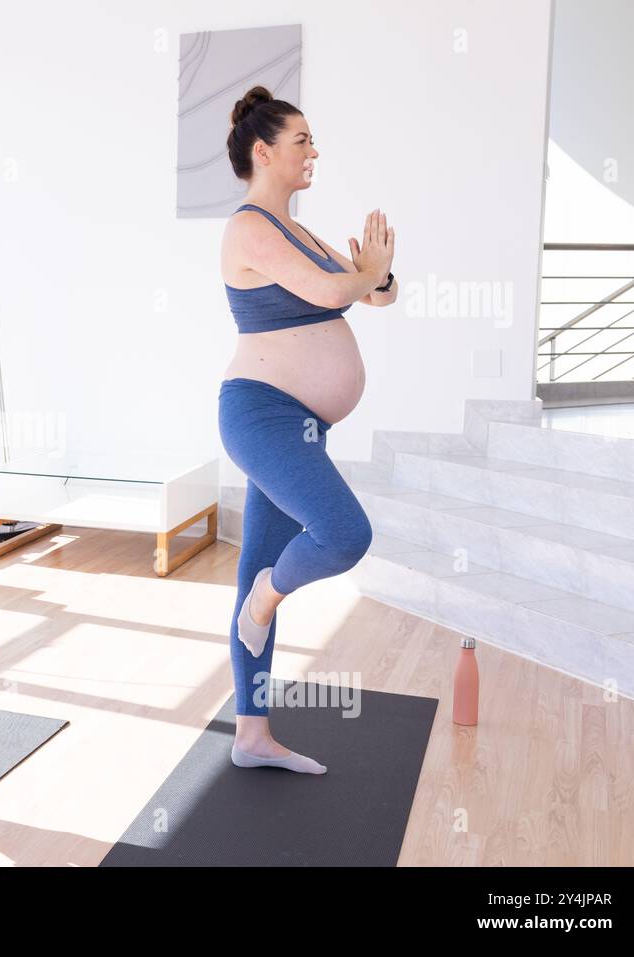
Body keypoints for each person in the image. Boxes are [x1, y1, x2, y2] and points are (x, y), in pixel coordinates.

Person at [218, 85, 396, 773]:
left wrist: (378, 275)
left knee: (256, 569)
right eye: (302, 141)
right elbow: (331, 291)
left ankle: (252, 735)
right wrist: (360, 279)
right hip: (261, 415)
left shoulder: (298, 228)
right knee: (344, 535)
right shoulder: (249, 227)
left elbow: (372, 291)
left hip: (298, 426)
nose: (313, 150)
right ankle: (269, 595)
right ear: (264, 152)